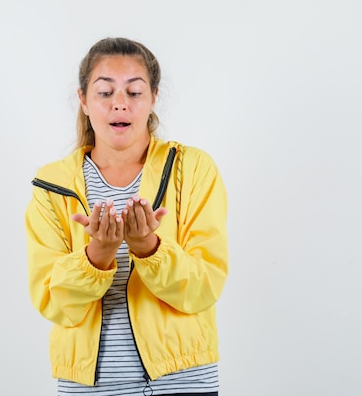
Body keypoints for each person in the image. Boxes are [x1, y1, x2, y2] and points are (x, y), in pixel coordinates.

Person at [25, 37, 228, 396]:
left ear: (152, 99)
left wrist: (148, 247)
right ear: (84, 100)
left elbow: (204, 288)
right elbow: (54, 304)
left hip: (182, 382)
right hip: (89, 387)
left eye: (134, 93)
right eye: (105, 92)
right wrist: (96, 256)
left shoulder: (192, 169)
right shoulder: (52, 185)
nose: (120, 103)